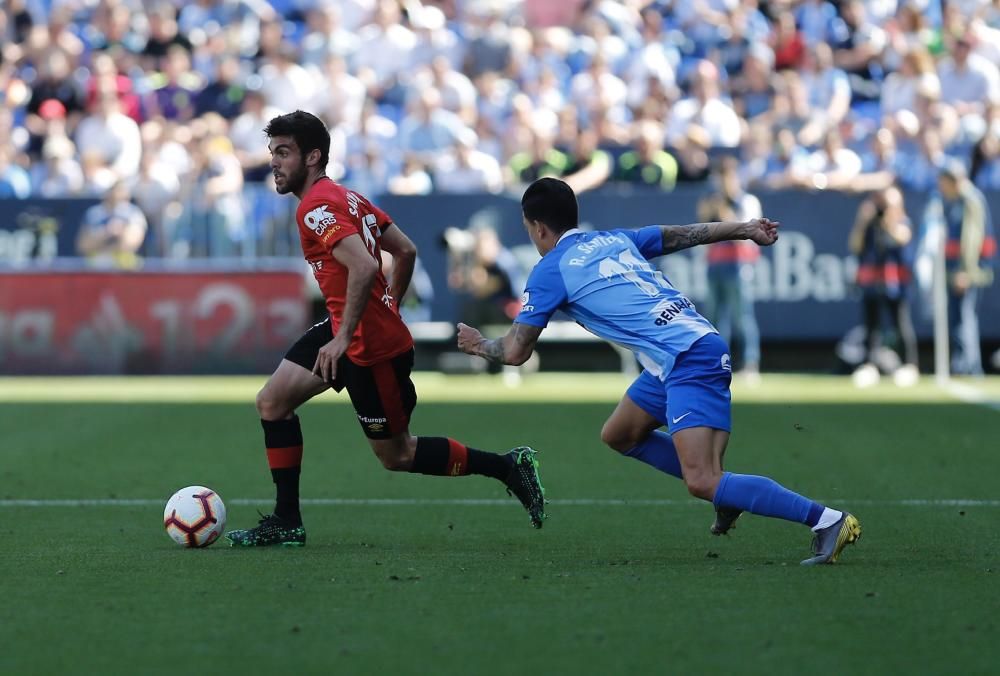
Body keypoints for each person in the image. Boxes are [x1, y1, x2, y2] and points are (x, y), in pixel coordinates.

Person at [457, 178, 861, 566]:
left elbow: (514, 351)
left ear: (537, 228)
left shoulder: (551, 270)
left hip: (687, 357)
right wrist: (745, 228)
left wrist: (478, 346)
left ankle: (827, 519)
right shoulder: (614, 239)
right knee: (620, 434)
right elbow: (685, 233)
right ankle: (727, 494)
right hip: (680, 351)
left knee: (702, 479)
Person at [225, 111, 545, 547]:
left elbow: (362, 264)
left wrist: (348, 334)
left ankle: (507, 466)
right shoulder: (348, 197)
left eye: (284, 152)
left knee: (398, 455)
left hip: (369, 348)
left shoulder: (317, 207)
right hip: (348, 330)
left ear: (313, 156)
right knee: (273, 402)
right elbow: (406, 250)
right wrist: (386, 304)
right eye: (272, 153)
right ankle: (287, 521)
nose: (275, 162)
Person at [925, 161, 996, 376]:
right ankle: (964, 363)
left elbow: (971, 239)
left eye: (943, 183)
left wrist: (965, 271)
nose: (941, 188)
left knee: (964, 317)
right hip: (957, 270)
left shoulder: (970, 201)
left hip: (965, 272)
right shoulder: (955, 201)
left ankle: (969, 366)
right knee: (959, 317)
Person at [848, 185, 919, 387]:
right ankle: (869, 365)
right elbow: (855, 245)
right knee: (871, 326)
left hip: (895, 283)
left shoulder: (903, 222)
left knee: (900, 324)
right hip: (872, 281)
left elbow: (901, 237)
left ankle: (909, 365)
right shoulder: (871, 224)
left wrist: (889, 218)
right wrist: (862, 220)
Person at [699, 157, 761, 378]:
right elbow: (701, 229)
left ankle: (750, 363)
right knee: (714, 319)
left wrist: (724, 211)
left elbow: (742, 235)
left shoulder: (747, 201)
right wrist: (710, 209)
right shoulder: (713, 201)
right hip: (715, 264)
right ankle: (717, 365)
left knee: (742, 316)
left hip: (738, 264)